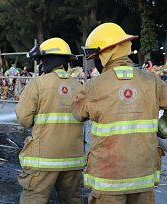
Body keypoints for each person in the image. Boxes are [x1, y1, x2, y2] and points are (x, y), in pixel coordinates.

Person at [71, 22, 167, 204]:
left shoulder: (93, 86)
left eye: (97, 56)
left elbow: (77, 113)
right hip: (143, 177)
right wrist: (163, 128)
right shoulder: (152, 81)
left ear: (105, 54)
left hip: (109, 181)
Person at [15, 37, 85, 204]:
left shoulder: (38, 84)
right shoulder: (79, 87)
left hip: (43, 161)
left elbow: (24, 119)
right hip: (73, 160)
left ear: (46, 60)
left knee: (34, 199)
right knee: (73, 200)